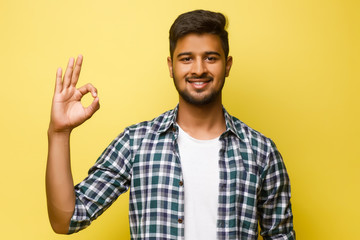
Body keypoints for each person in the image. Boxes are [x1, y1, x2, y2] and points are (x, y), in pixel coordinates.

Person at [46, 9, 295, 240]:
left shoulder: (261, 152)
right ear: (171, 66)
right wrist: (59, 132)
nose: (199, 69)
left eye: (211, 58)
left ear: (227, 65)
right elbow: (66, 220)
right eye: (186, 59)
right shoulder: (136, 142)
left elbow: (281, 236)